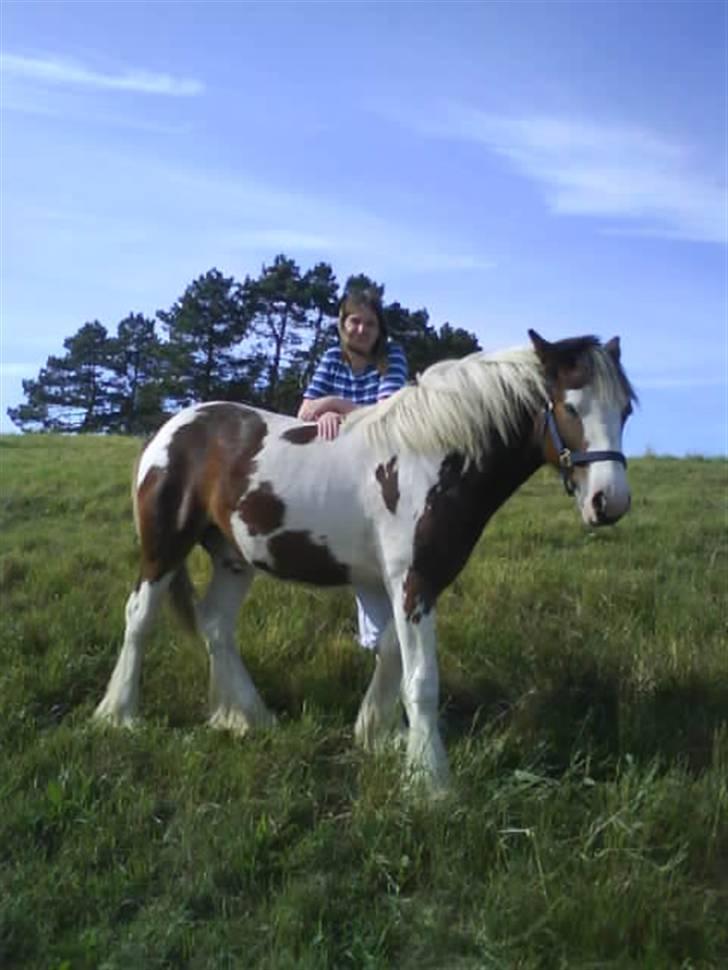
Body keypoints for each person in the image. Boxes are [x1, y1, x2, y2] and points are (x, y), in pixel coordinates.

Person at [297, 287, 408, 649]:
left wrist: (332, 404)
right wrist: (325, 413)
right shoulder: (332, 357)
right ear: (342, 324)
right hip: (337, 465)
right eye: (354, 321)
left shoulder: (391, 355)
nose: (361, 330)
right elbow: (304, 412)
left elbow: (386, 414)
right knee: (360, 552)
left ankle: (382, 643)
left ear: (380, 329)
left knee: (382, 553)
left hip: (382, 465)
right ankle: (377, 644)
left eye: (370, 324)